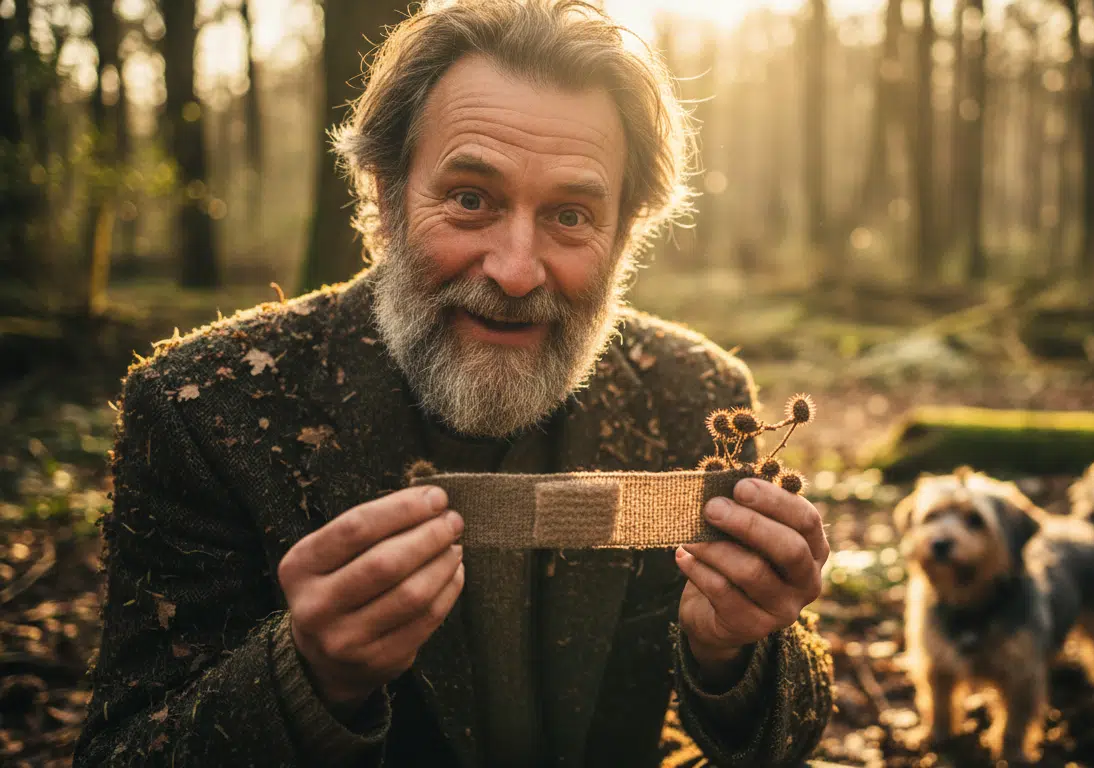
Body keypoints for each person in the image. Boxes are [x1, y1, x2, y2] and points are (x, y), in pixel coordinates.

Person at [72, 2, 835, 766]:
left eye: (571, 215)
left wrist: (736, 653)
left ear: (626, 232)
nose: (514, 269)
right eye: (471, 199)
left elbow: (786, 731)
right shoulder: (206, 409)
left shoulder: (696, 396)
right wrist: (304, 677)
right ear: (385, 191)